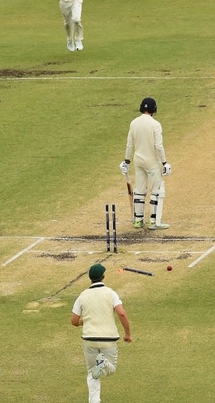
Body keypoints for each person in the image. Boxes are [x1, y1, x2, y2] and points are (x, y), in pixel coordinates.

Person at [71, 263, 132, 403]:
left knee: (93, 373)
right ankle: (103, 363)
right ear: (103, 277)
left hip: (89, 340)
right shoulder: (111, 293)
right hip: (108, 340)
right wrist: (128, 334)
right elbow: (122, 314)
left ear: (90, 278)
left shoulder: (83, 295)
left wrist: (84, 321)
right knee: (110, 370)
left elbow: (74, 321)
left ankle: (94, 401)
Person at [120, 97, 171, 229]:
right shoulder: (155, 124)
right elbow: (158, 146)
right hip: (152, 161)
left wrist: (126, 161)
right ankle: (154, 222)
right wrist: (165, 162)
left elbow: (129, 145)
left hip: (138, 160)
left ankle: (138, 220)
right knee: (156, 190)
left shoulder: (134, 123)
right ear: (154, 109)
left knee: (140, 190)